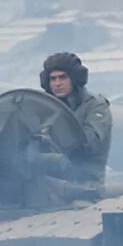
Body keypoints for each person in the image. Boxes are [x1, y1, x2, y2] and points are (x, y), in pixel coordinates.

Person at [38, 52, 113, 189]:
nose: (57, 84)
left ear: (75, 79)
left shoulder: (95, 106)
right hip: (48, 186)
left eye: (63, 78)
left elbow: (88, 145)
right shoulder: (43, 107)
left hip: (85, 186)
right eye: (53, 79)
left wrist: (53, 135)